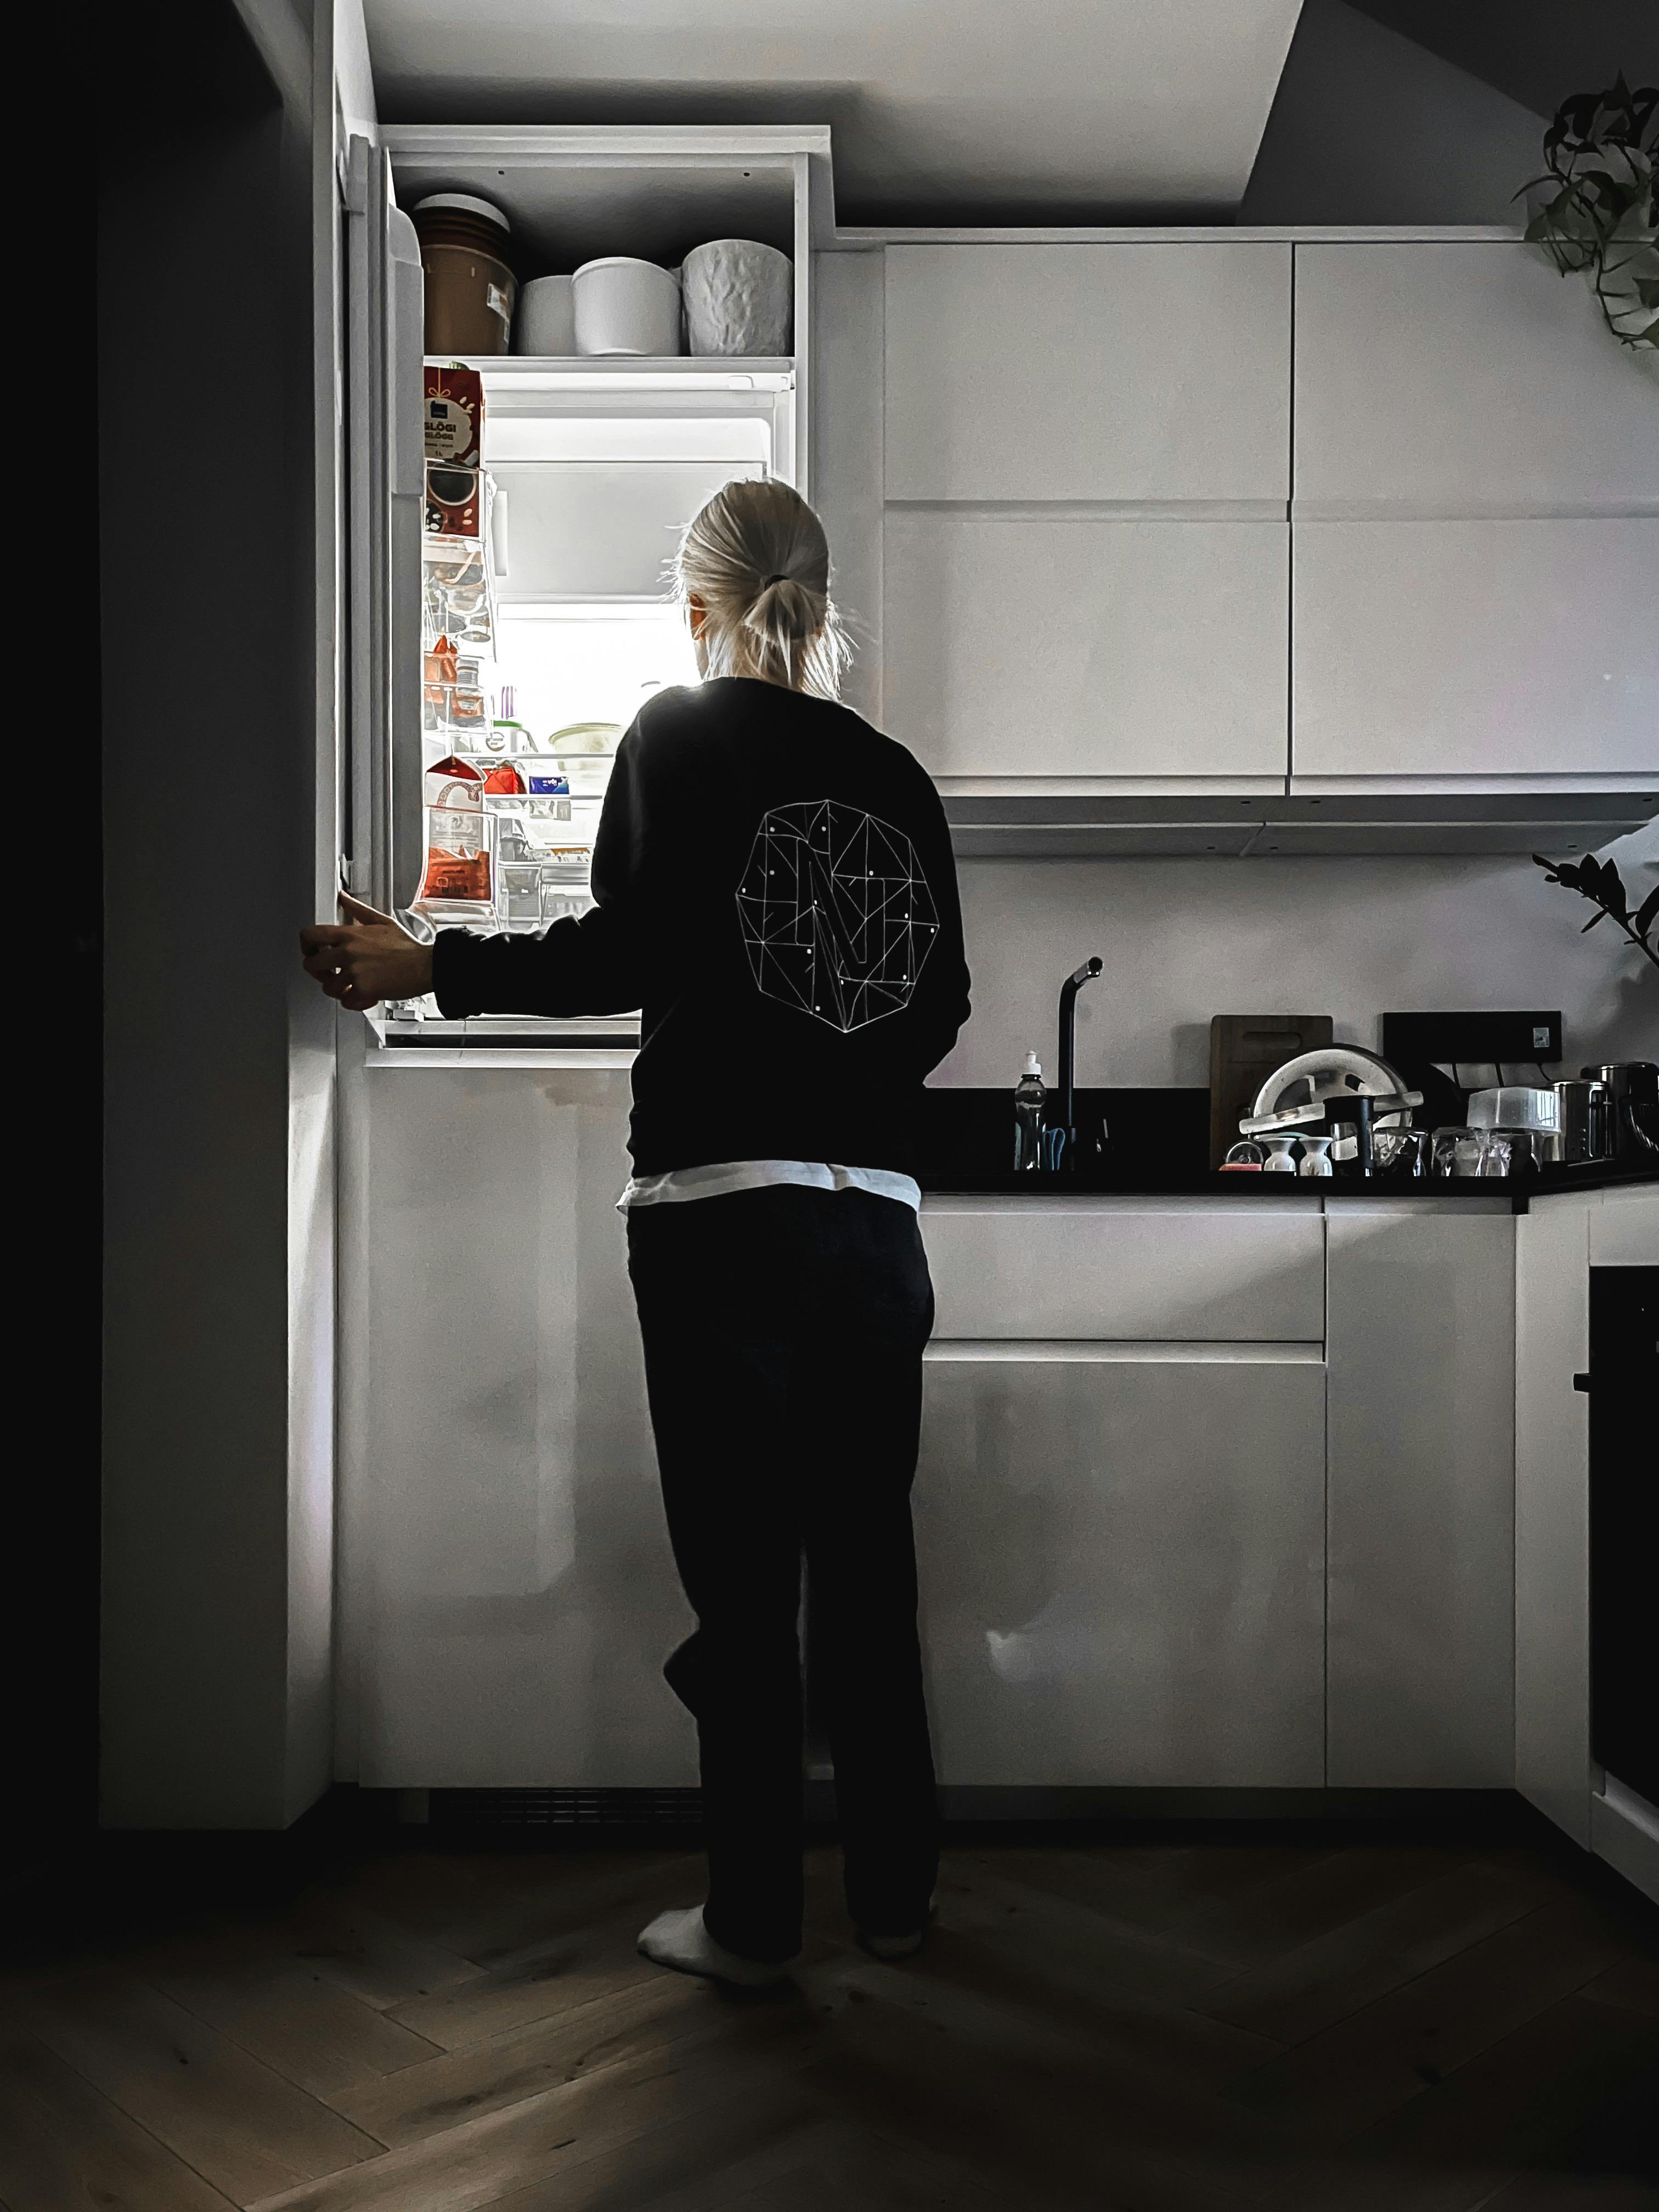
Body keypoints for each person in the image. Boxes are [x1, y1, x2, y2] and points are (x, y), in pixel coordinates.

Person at [301, 478, 972, 1987]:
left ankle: (749, 1927)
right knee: (869, 1572)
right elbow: (935, 1011)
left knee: (745, 1584)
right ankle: (896, 1900)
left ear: (695, 610)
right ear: (824, 603)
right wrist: (834, 1071)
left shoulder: (678, 730)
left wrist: (428, 964)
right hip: (878, 1227)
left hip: (721, 1218)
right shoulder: (901, 780)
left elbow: (633, 947)